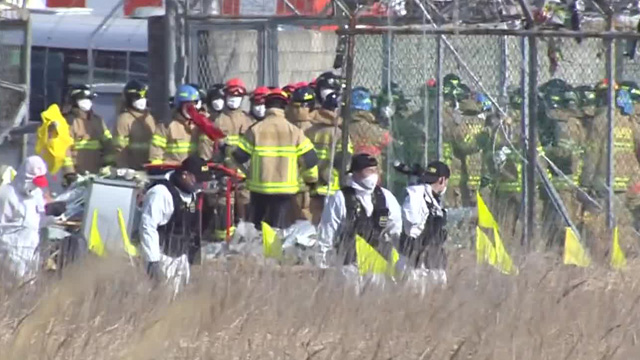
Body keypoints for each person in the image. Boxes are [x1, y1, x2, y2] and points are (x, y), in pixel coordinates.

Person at [233, 88, 319, 229]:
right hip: (285, 192)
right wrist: (311, 180)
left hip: (259, 190)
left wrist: (247, 174)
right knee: (279, 231)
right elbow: (310, 159)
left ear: (266, 106)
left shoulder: (255, 129)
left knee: (258, 230)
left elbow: (239, 157)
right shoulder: (295, 131)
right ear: (285, 107)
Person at [317, 154, 402, 274]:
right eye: (369, 171)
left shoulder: (385, 197)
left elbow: (396, 231)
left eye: (375, 171)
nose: (374, 175)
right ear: (356, 173)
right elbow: (327, 233)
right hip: (349, 266)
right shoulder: (341, 198)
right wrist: (322, 265)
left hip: (380, 264)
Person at [140, 156, 211, 281]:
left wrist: (193, 258)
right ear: (185, 175)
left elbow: (192, 228)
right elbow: (148, 226)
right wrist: (153, 262)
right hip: (161, 258)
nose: (201, 185)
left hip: (181, 258)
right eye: (198, 180)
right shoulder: (161, 193)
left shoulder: (192, 193)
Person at [0, 156, 65, 280]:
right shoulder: (6, 194)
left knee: (28, 287)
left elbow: (38, 222)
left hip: (31, 250)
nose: (35, 187)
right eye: (34, 183)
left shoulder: (36, 194)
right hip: (9, 251)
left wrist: (51, 213)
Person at [400, 161, 450, 289]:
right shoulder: (416, 195)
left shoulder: (434, 201)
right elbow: (412, 228)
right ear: (442, 180)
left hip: (434, 263)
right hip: (416, 266)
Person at [306, 92, 352, 224]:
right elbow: (343, 161)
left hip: (313, 183)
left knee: (315, 219)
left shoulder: (310, 131)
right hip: (332, 184)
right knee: (330, 223)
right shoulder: (340, 134)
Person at [62, 85, 115, 186]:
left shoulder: (98, 121)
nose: (88, 101)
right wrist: (69, 173)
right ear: (74, 100)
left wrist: (110, 164)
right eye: (84, 99)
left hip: (97, 176)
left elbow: (108, 144)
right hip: (76, 177)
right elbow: (65, 150)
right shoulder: (68, 122)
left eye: (89, 99)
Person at [149, 84, 202, 165]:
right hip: (173, 171)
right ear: (179, 106)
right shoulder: (165, 126)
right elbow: (156, 154)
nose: (191, 109)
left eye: (193, 105)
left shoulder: (199, 125)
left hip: (194, 172)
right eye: (187, 105)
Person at [113, 80, 157, 170]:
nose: (142, 100)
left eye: (144, 96)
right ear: (130, 99)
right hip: (133, 170)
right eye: (138, 97)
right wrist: (123, 168)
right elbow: (119, 147)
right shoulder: (124, 119)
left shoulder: (149, 117)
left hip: (149, 167)